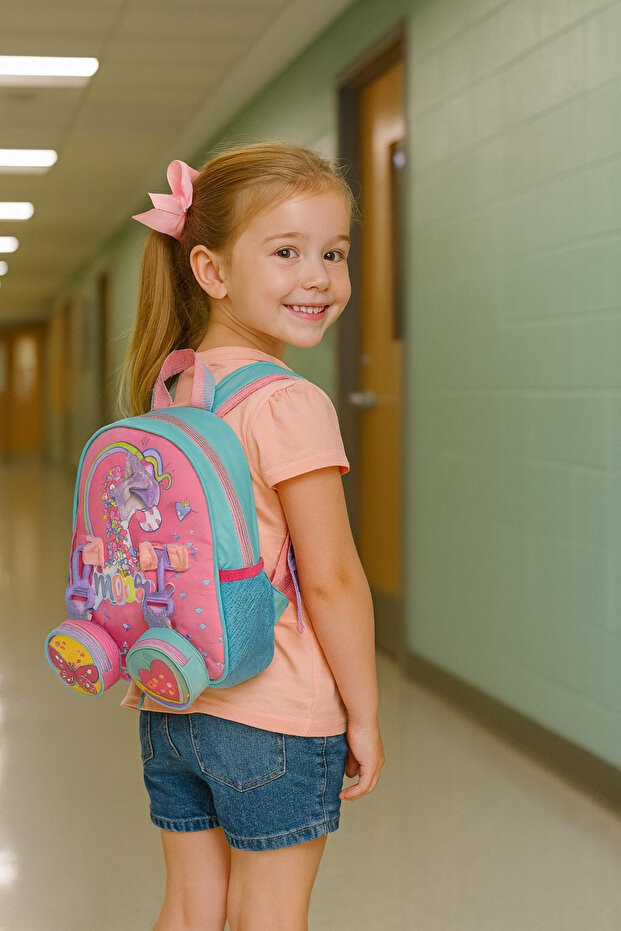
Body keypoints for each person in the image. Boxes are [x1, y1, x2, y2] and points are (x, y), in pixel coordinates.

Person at [121, 142, 384, 931]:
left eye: (333, 253)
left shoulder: (174, 387)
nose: (319, 277)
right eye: (286, 252)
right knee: (269, 915)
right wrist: (364, 713)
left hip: (174, 695)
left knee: (188, 909)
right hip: (275, 711)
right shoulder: (287, 402)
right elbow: (331, 578)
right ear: (210, 270)